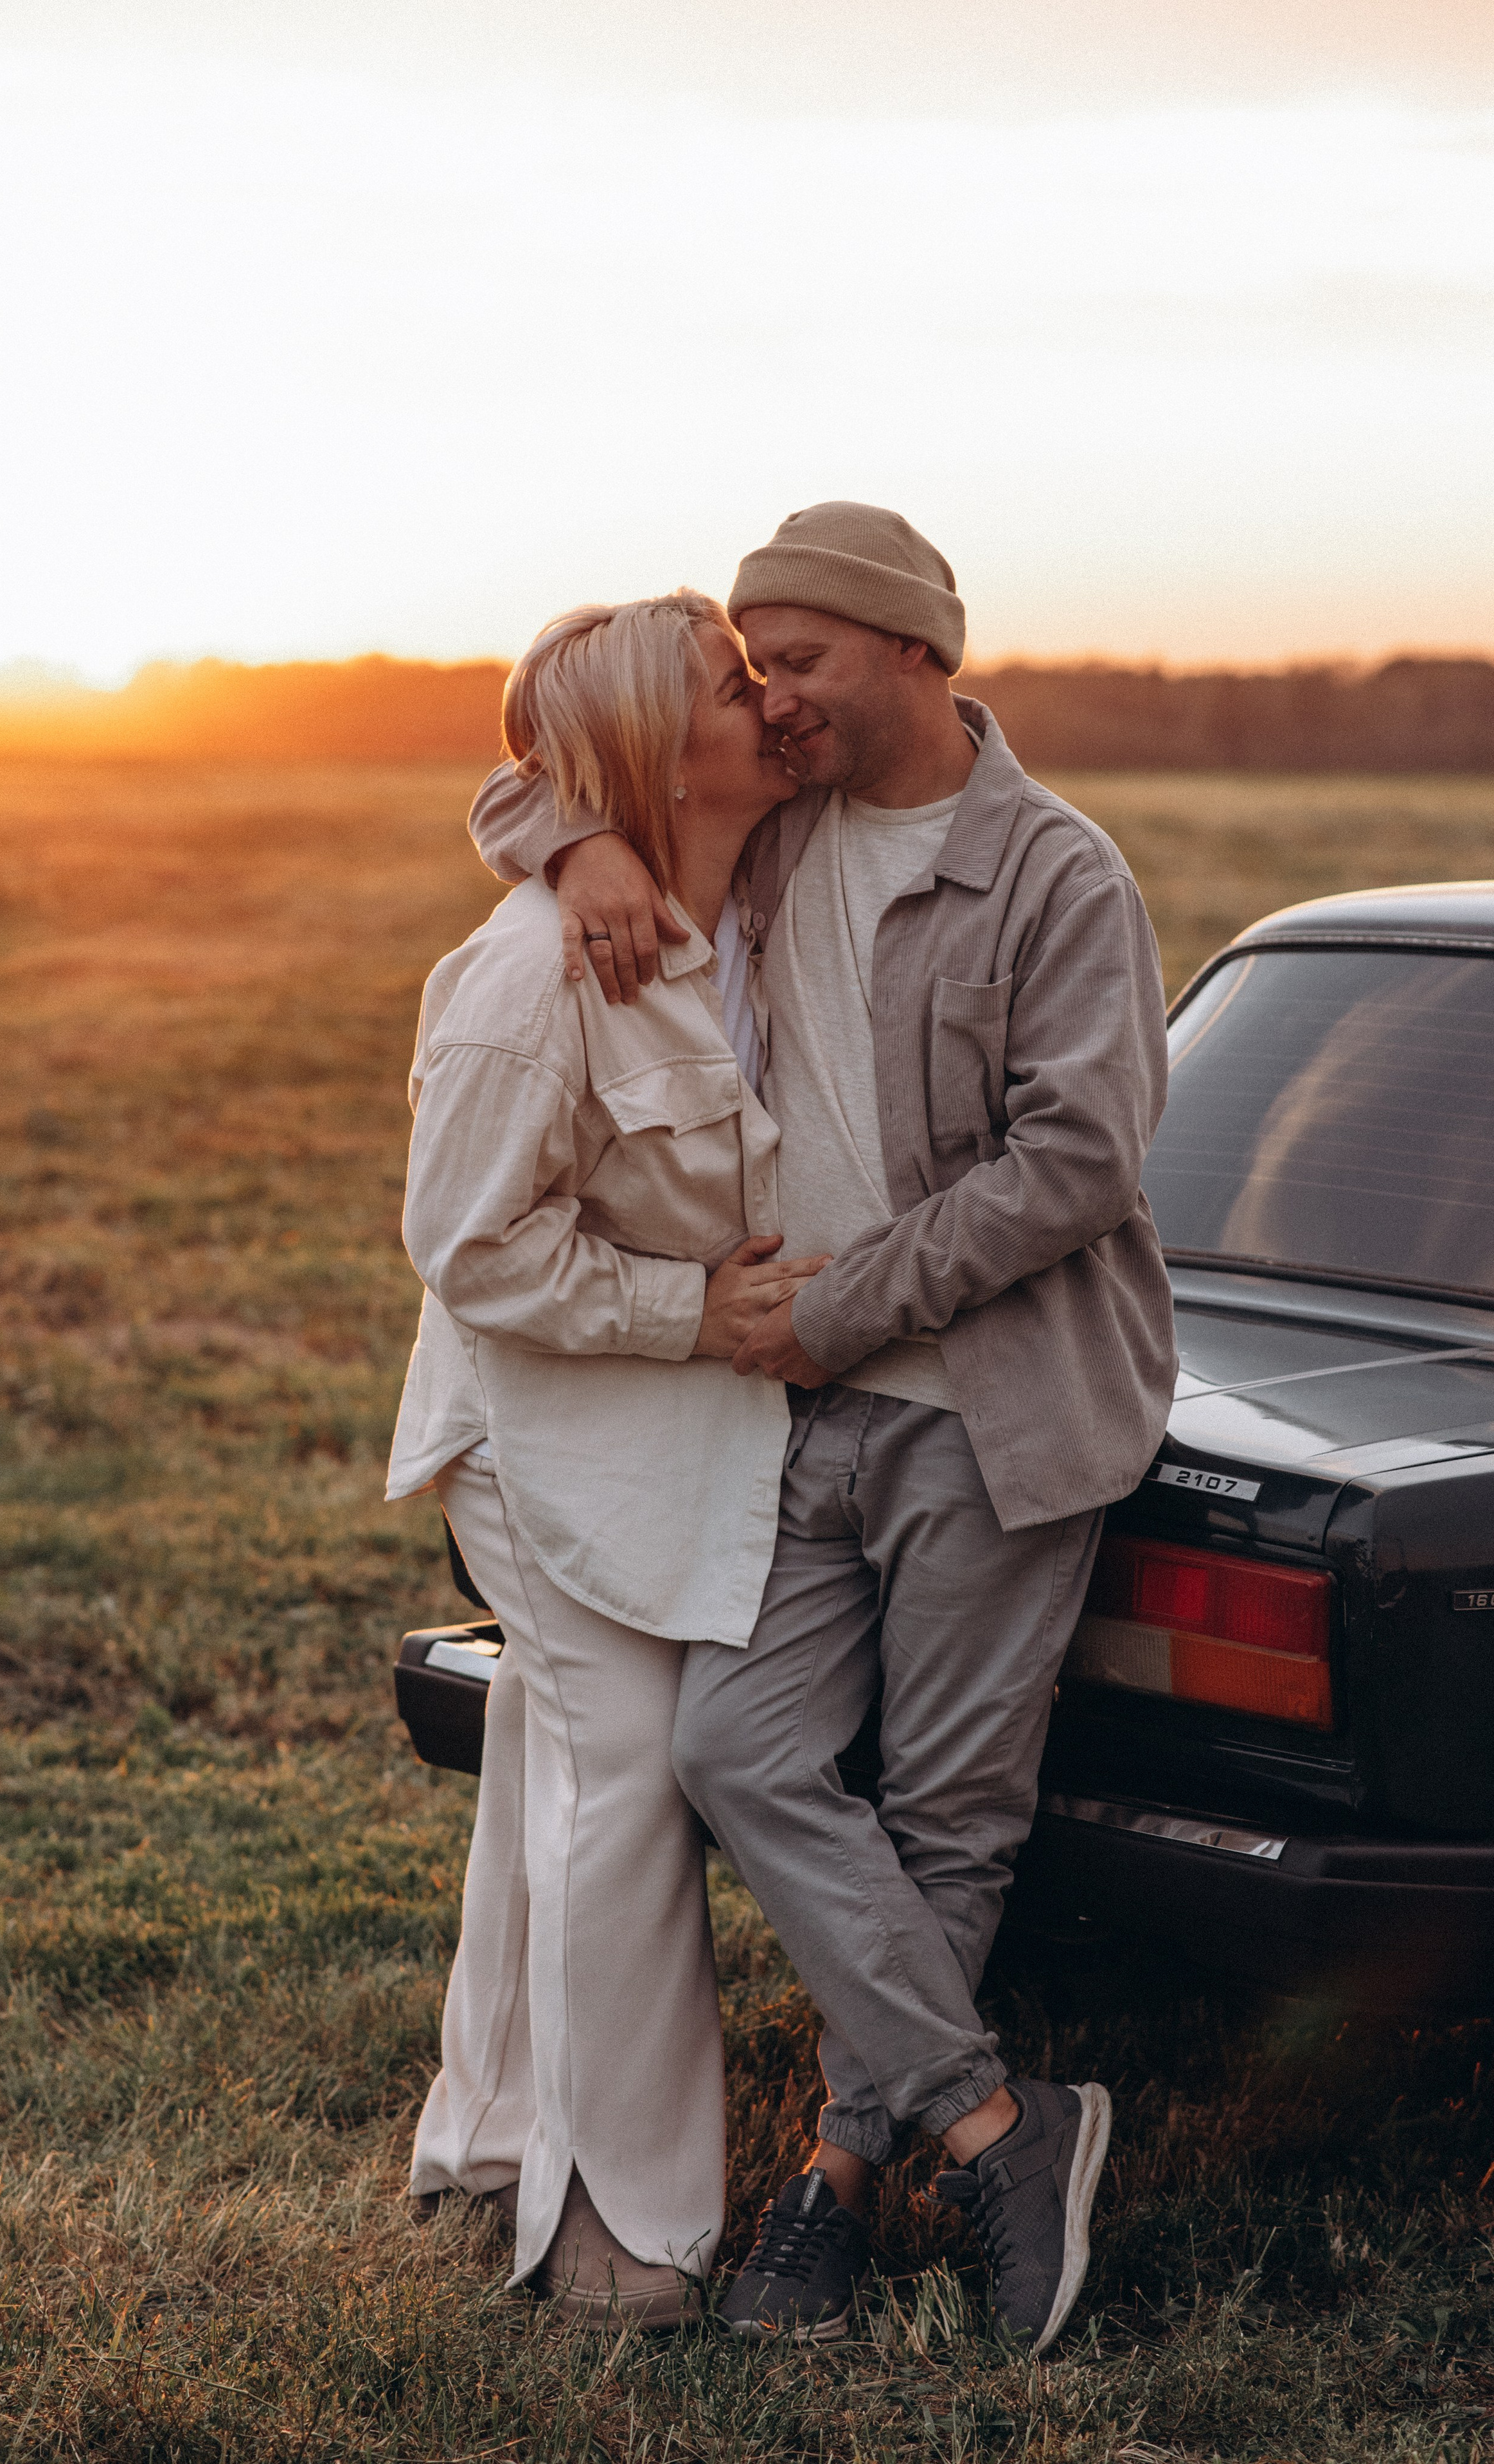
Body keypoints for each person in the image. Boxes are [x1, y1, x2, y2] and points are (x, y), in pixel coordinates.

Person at [467, 502, 1179, 2352]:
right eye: (754, 667)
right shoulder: (776, 827)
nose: (770, 697)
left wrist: (843, 1308)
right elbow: (540, 772)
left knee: (947, 1817)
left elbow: (1080, 1165)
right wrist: (579, 845)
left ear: (916, 652)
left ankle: (839, 2185)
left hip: (996, 1415)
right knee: (737, 1749)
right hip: (800, 1421)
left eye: (801, 662)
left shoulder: (1055, 873)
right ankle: (1008, 2129)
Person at [386, 589, 828, 2328]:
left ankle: (489, 2134)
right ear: (659, 748)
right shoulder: (533, 978)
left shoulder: (750, 891)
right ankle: (619, 2228)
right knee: (626, 1766)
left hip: (667, 1429)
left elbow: (535, 772)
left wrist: (570, 829)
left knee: (552, 1753)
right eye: (733, 685)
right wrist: (688, 1314)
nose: (770, 702)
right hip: (540, 1431)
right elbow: (471, 1250)